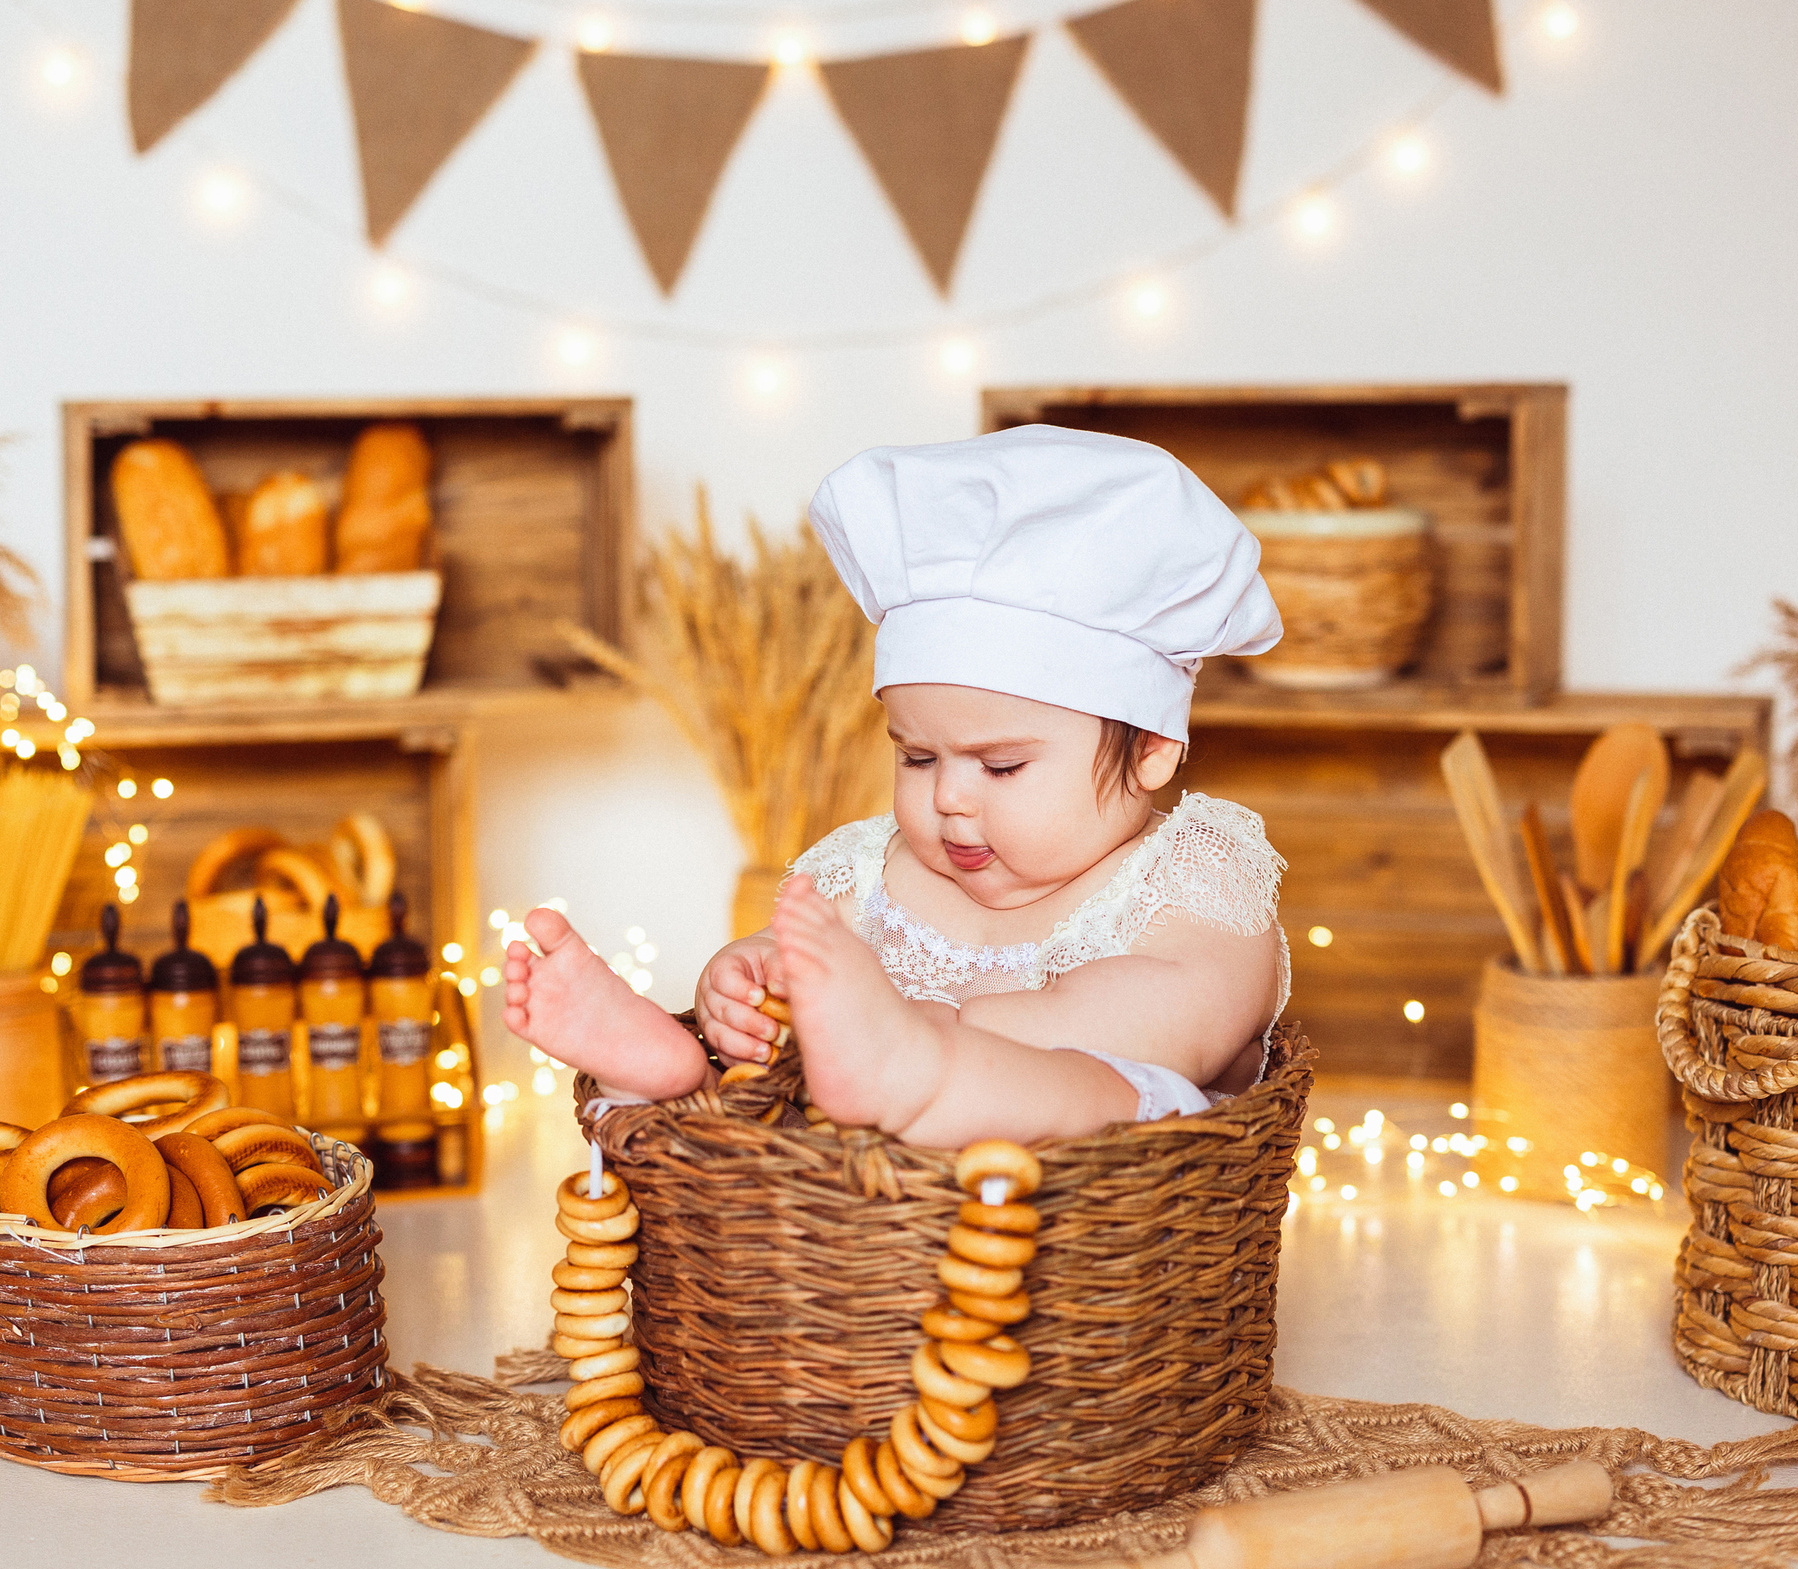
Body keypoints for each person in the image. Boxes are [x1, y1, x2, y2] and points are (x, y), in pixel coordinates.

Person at [504, 424, 1292, 1148]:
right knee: (764, 1106)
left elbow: (1180, 1025)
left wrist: (938, 1037)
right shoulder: (881, 871)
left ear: (1152, 749)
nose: (949, 797)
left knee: (1103, 1087)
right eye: (917, 758)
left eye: (1002, 766)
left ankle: (917, 1083)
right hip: (857, 1196)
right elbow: (794, 969)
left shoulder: (1191, 878)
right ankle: (663, 1072)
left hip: (1065, 1186)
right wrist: (744, 983)